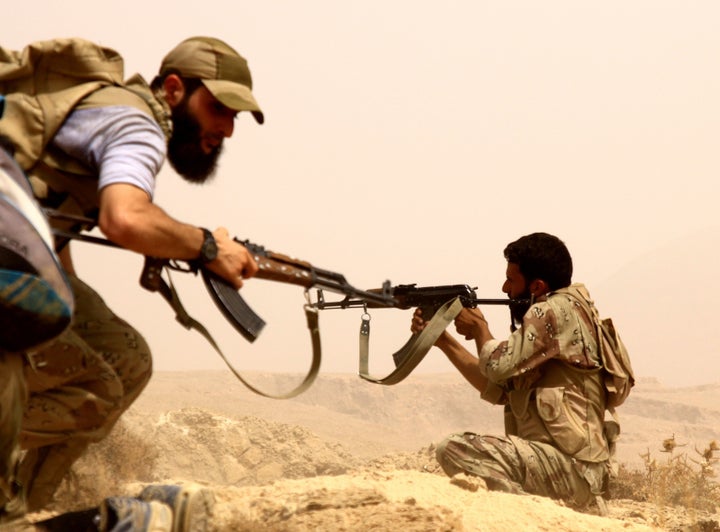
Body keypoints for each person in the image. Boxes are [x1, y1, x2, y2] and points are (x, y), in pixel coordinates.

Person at [0, 36, 263, 523]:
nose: (225, 128)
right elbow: (127, 219)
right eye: (219, 107)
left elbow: (45, 227)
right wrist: (207, 247)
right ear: (175, 89)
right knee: (97, 388)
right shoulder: (134, 123)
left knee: (127, 360)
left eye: (236, 117)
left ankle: (22, 507)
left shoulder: (105, 111)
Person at [411, 232, 613, 511]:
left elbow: (496, 366)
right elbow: (495, 387)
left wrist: (481, 329)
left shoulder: (552, 311)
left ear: (537, 285)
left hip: (571, 470)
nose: (505, 288)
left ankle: (528, 516)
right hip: (567, 469)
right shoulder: (564, 316)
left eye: (512, 280)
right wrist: (442, 339)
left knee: (454, 448)